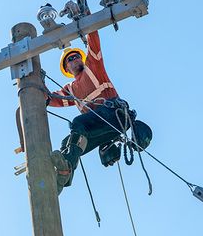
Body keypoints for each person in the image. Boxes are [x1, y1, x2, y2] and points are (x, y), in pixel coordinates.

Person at [47, 27, 152, 193]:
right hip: (103, 129)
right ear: (67, 68)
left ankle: (66, 166)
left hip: (113, 116)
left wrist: (85, 18)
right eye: (70, 59)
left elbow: (93, 38)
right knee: (66, 143)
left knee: (78, 123)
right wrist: (35, 89)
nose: (75, 60)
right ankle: (64, 173)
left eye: (76, 57)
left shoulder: (93, 67)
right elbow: (53, 99)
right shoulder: (71, 89)